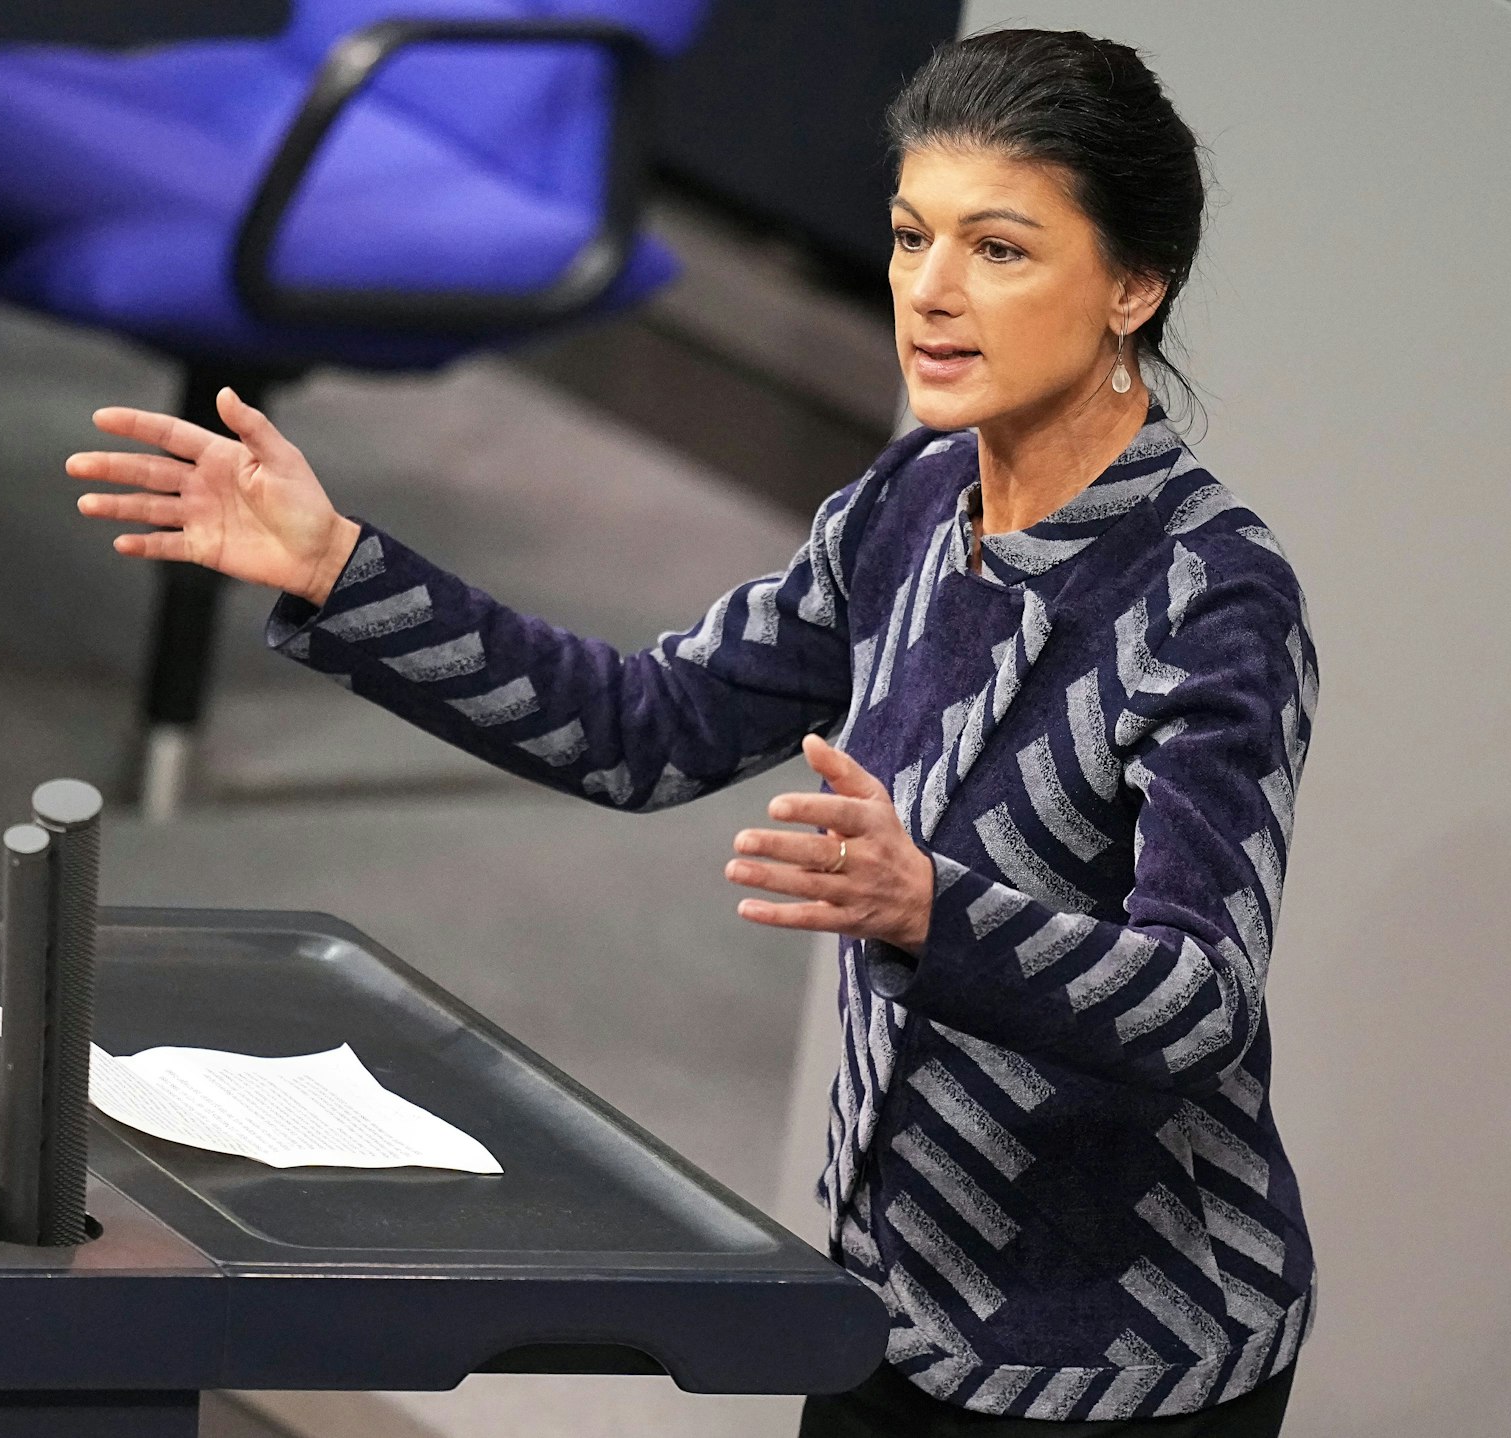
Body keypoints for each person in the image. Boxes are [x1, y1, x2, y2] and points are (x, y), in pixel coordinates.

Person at [66, 28, 1315, 1435]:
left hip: (1130, 1363)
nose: (931, 294)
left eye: (1001, 250)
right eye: (911, 239)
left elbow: (1198, 996)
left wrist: (929, 909)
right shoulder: (906, 505)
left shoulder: (1211, 595)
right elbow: (643, 727)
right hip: (889, 1308)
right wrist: (345, 570)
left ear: (1132, 285)